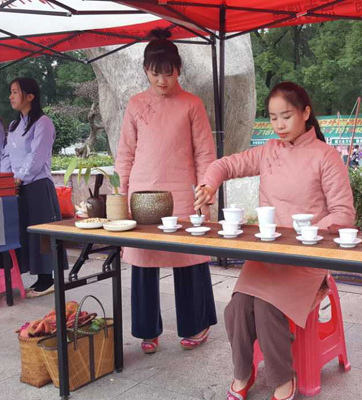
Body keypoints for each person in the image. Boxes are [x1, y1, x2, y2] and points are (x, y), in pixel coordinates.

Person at [194, 82, 356, 400]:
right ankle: (243, 373)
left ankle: (283, 379)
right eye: (272, 118)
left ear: (305, 113)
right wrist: (209, 184)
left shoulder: (326, 156)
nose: (279, 125)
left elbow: (343, 214)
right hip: (267, 256)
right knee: (237, 308)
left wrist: (305, 234)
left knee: (267, 308)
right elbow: (225, 165)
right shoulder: (268, 151)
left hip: (305, 260)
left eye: (286, 116)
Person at [115, 28, 217, 354]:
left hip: (183, 194)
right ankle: (147, 331)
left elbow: (205, 154)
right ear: (146, 70)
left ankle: (196, 324)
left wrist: (206, 195)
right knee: (144, 261)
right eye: (155, 73)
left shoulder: (192, 104)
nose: (162, 80)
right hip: (142, 195)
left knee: (188, 258)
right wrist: (121, 195)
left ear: (178, 70)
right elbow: (125, 153)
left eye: (169, 73)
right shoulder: (135, 104)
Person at [1, 77, 64, 298]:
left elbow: (37, 155)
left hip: (37, 185)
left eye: (15, 92)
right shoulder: (14, 125)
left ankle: (48, 280)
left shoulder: (43, 122)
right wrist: (6, 178)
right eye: (11, 91)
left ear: (30, 96)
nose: (11, 96)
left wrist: (19, 178)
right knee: (27, 232)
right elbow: (7, 154)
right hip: (18, 187)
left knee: (42, 234)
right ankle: (39, 277)